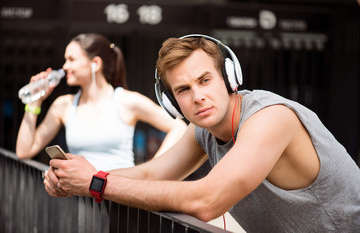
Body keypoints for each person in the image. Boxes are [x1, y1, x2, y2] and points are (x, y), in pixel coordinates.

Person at [43, 34, 360, 232]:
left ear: (229, 77)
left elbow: (208, 201)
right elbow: (154, 173)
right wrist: (78, 178)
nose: (197, 96)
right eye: (183, 89)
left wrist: (97, 183)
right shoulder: (202, 128)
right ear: (172, 102)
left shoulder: (271, 118)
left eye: (205, 80)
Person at [16, 33, 186, 171]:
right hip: (82, 203)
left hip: (121, 200)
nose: (65, 66)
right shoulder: (64, 105)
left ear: (95, 63)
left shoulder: (125, 101)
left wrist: (151, 170)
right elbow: (24, 151)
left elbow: (179, 127)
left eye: (71, 59)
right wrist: (34, 102)